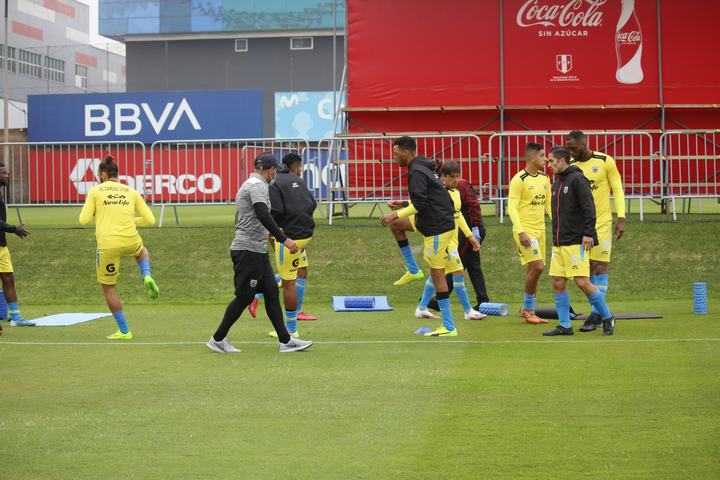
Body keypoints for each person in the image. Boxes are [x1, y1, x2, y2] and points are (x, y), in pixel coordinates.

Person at [207, 153, 313, 353]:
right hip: (248, 251)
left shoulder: (252, 184)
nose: (275, 174)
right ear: (271, 170)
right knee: (244, 297)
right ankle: (218, 339)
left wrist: (271, 232)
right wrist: (284, 239)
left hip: (256, 249)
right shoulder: (257, 186)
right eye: (274, 171)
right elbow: (262, 213)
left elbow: (250, 217)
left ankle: (285, 341)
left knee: (271, 291)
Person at [380, 136, 459, 337]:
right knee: (397, 226)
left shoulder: (416, 171)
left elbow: (422, 204)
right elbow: (427, 198)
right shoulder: (422, 165)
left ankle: (449, 327)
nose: (394, 157)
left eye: (396, 154)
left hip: (436, 226)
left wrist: (394, 214)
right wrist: (403, 205)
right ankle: (413, 270)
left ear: (406, 152)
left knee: (438, 274)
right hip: (434, 221)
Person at [79, 155, 160, 340]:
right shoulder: (131, 191)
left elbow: (83, 220)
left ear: (103, 174)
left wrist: (98, 214)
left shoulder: (95, 191)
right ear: (117, 174)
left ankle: (124, 331)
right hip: (130, 239)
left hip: (108, 245)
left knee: (109, 288)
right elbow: (150, 220)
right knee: (141, 250)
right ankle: (146, 274)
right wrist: (130, 221)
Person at [543, 147, 615, 337]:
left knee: (582, 282)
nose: (548, 165)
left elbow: (589, 208)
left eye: (551, 161)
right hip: (559, 243)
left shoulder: (578, 179)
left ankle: (608, 317)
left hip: (576, 242)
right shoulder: (557, 182)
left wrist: (588, 233)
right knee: (558, 281)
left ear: (562, 161)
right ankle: (565, 326)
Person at [566, 130, 625, 332]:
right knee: (586, 270)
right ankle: (599, 311)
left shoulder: (605, 161)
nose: (571, 152)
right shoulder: (570, 166)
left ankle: (596, 314)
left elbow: (617, 188)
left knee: (600, 266)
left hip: (602, 224)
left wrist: (621, 218)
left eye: (574, 148)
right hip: (580, 227)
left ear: (584, 143)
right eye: (569, 149)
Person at [413, 161, 485, 321]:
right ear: (443, 177)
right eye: (452, 177)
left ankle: (421, 308)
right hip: (441, 241)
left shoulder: (456, 193)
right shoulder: (438, 193)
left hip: (452, 241)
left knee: (436, 274)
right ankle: (468, 311)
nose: (456, 180)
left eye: (458, 176)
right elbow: (419, 205)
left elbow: (458, 216)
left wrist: (470, 237)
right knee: (457, 272)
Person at [266, 152, 317, 338]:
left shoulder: (275, 182)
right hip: (306, 235)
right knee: (299, 272)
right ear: (295, 167)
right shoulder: (298, 180)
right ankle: (258, 295)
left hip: (289, 239)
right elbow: (313, 204)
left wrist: (275, 231)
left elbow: (275, 212)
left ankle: (291, 331)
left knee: (288, 283)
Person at [507, 143, 552, 325]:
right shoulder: (519, 179)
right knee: (538, 267)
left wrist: (559, 224)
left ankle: (527, 308)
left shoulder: (545, 178)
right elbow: (511, 207)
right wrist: (521, 231)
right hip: (525, 231)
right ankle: (528, 310)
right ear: (532, 158)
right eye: (542, 155)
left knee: (534, 270)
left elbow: (548, 205)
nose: (546, 159)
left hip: (541, 231)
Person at [0, 162, 34, 328]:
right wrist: (14, 229)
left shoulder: (1, 193)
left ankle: (15, 317)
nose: (7, 175)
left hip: (2, 246)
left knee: (8, 278)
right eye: (4, 173)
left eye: (7, 172)